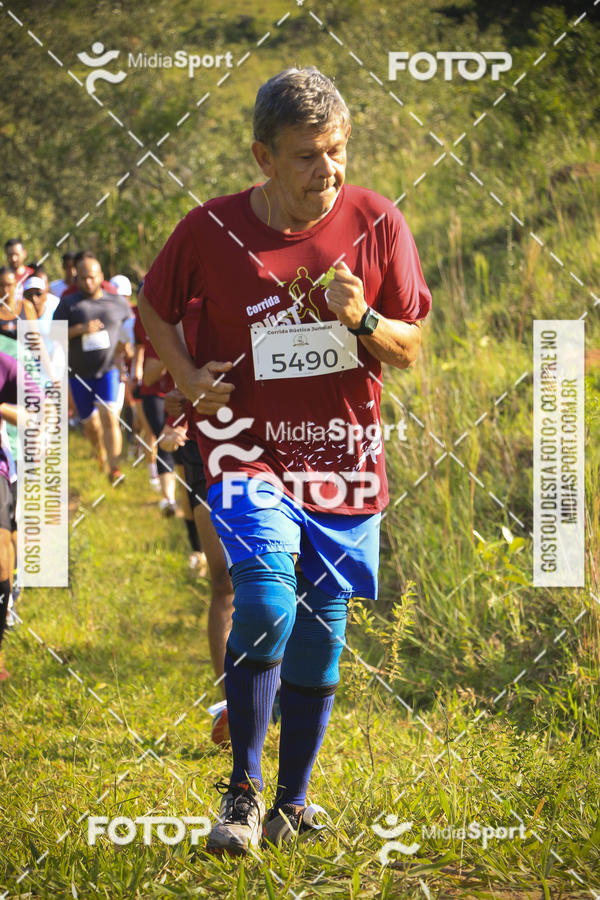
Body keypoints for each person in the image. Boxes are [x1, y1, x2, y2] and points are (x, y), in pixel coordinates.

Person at [138, 67, 431, 854]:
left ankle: (292, 806)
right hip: (244, 452)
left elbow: (408, 347)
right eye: (306, 156)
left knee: (320, 632)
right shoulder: (210, 228)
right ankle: (241, 792)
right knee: (264, 604)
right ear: (263, 158)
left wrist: (363, 316)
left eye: (336, 150)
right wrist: (189, 377)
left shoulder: (378, 221)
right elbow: (154, 306)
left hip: (342, 459)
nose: (326, 171)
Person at [53, 254, 131, 483]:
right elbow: (54, 333)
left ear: (101, 277)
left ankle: (114, 469)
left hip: (108, 370)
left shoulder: (117, 302)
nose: (88, 282)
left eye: (92, 277)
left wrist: (128, 348)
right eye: (84, 278)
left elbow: (131, 328)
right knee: (91, 423)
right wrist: (81, 329)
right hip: (78, 374)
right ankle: (101, 454)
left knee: (109, 417)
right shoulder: (69, 304)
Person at [0, 267, 20, 340]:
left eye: (9, 285)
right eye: (1, 285)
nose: (5, 290)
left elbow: (35, 340)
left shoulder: (26, 307)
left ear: (15, 284)